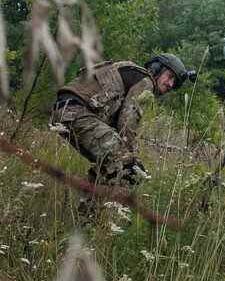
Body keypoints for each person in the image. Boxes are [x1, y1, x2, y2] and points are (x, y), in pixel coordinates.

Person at [50, 53, 194, 187]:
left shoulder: (130, 71)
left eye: (174, 82)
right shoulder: (146, 81)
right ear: (156, 69)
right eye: (169, 76)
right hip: (76, 111)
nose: (170, 84)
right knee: (128, 167)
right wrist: (133, 159)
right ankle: (90, 210)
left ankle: (90, 209)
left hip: (65, 110)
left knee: (111, 166)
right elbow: (127, 124)